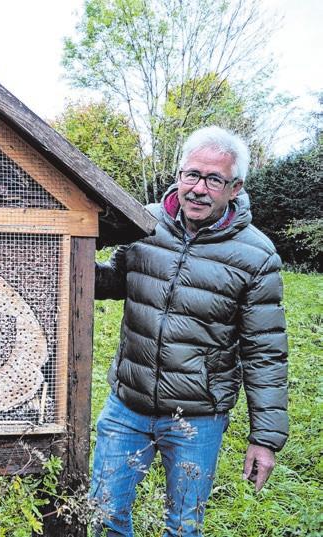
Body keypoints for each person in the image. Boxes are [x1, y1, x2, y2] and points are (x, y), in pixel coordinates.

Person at [90, 126, 289, 537]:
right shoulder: (143, 224)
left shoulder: (257, 256)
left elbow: (264, 353)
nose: (198, 189)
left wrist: (265, 439)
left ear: (235, 187)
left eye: (214, 179)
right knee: (104, 516)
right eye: (191, 175)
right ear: (178, 175)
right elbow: (113, 282)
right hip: (127, 406)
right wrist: (64, 256)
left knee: (183, 527)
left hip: (197, 418)